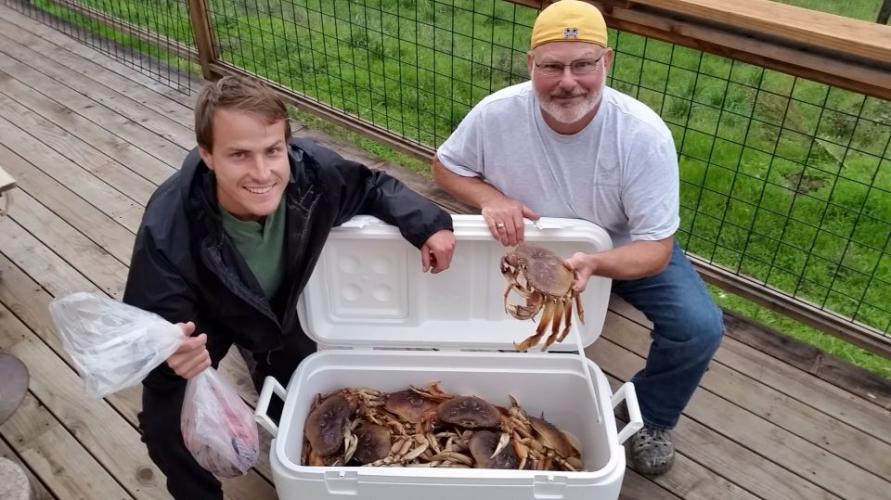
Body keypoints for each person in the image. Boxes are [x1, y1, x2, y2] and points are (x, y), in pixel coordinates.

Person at [124, 75, 456, 497]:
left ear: (288, 146)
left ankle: (299, 467)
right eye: (239, 155)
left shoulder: (314, 172)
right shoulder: (168, 225)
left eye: (272, 151)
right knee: (163, 424)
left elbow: (372, 185)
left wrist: (428, 224)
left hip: (282, 309)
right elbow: (145, 326)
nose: (262, 173)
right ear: (207, 155)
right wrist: (169, 355)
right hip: (209, 319)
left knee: (304, 395)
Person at [433, 0, 723, 476]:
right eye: (552, 66)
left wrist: (597, 264)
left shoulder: (643, 135)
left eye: (583, 65)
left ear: (606, 62)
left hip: (617, 248)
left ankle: (649, 416)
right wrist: (490, 198)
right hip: (522, 245)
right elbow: (446, 167)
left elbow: (656, 247)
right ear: (531, 65)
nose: (568, 81)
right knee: (483, 325)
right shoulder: (496, 114)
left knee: (698, 327)